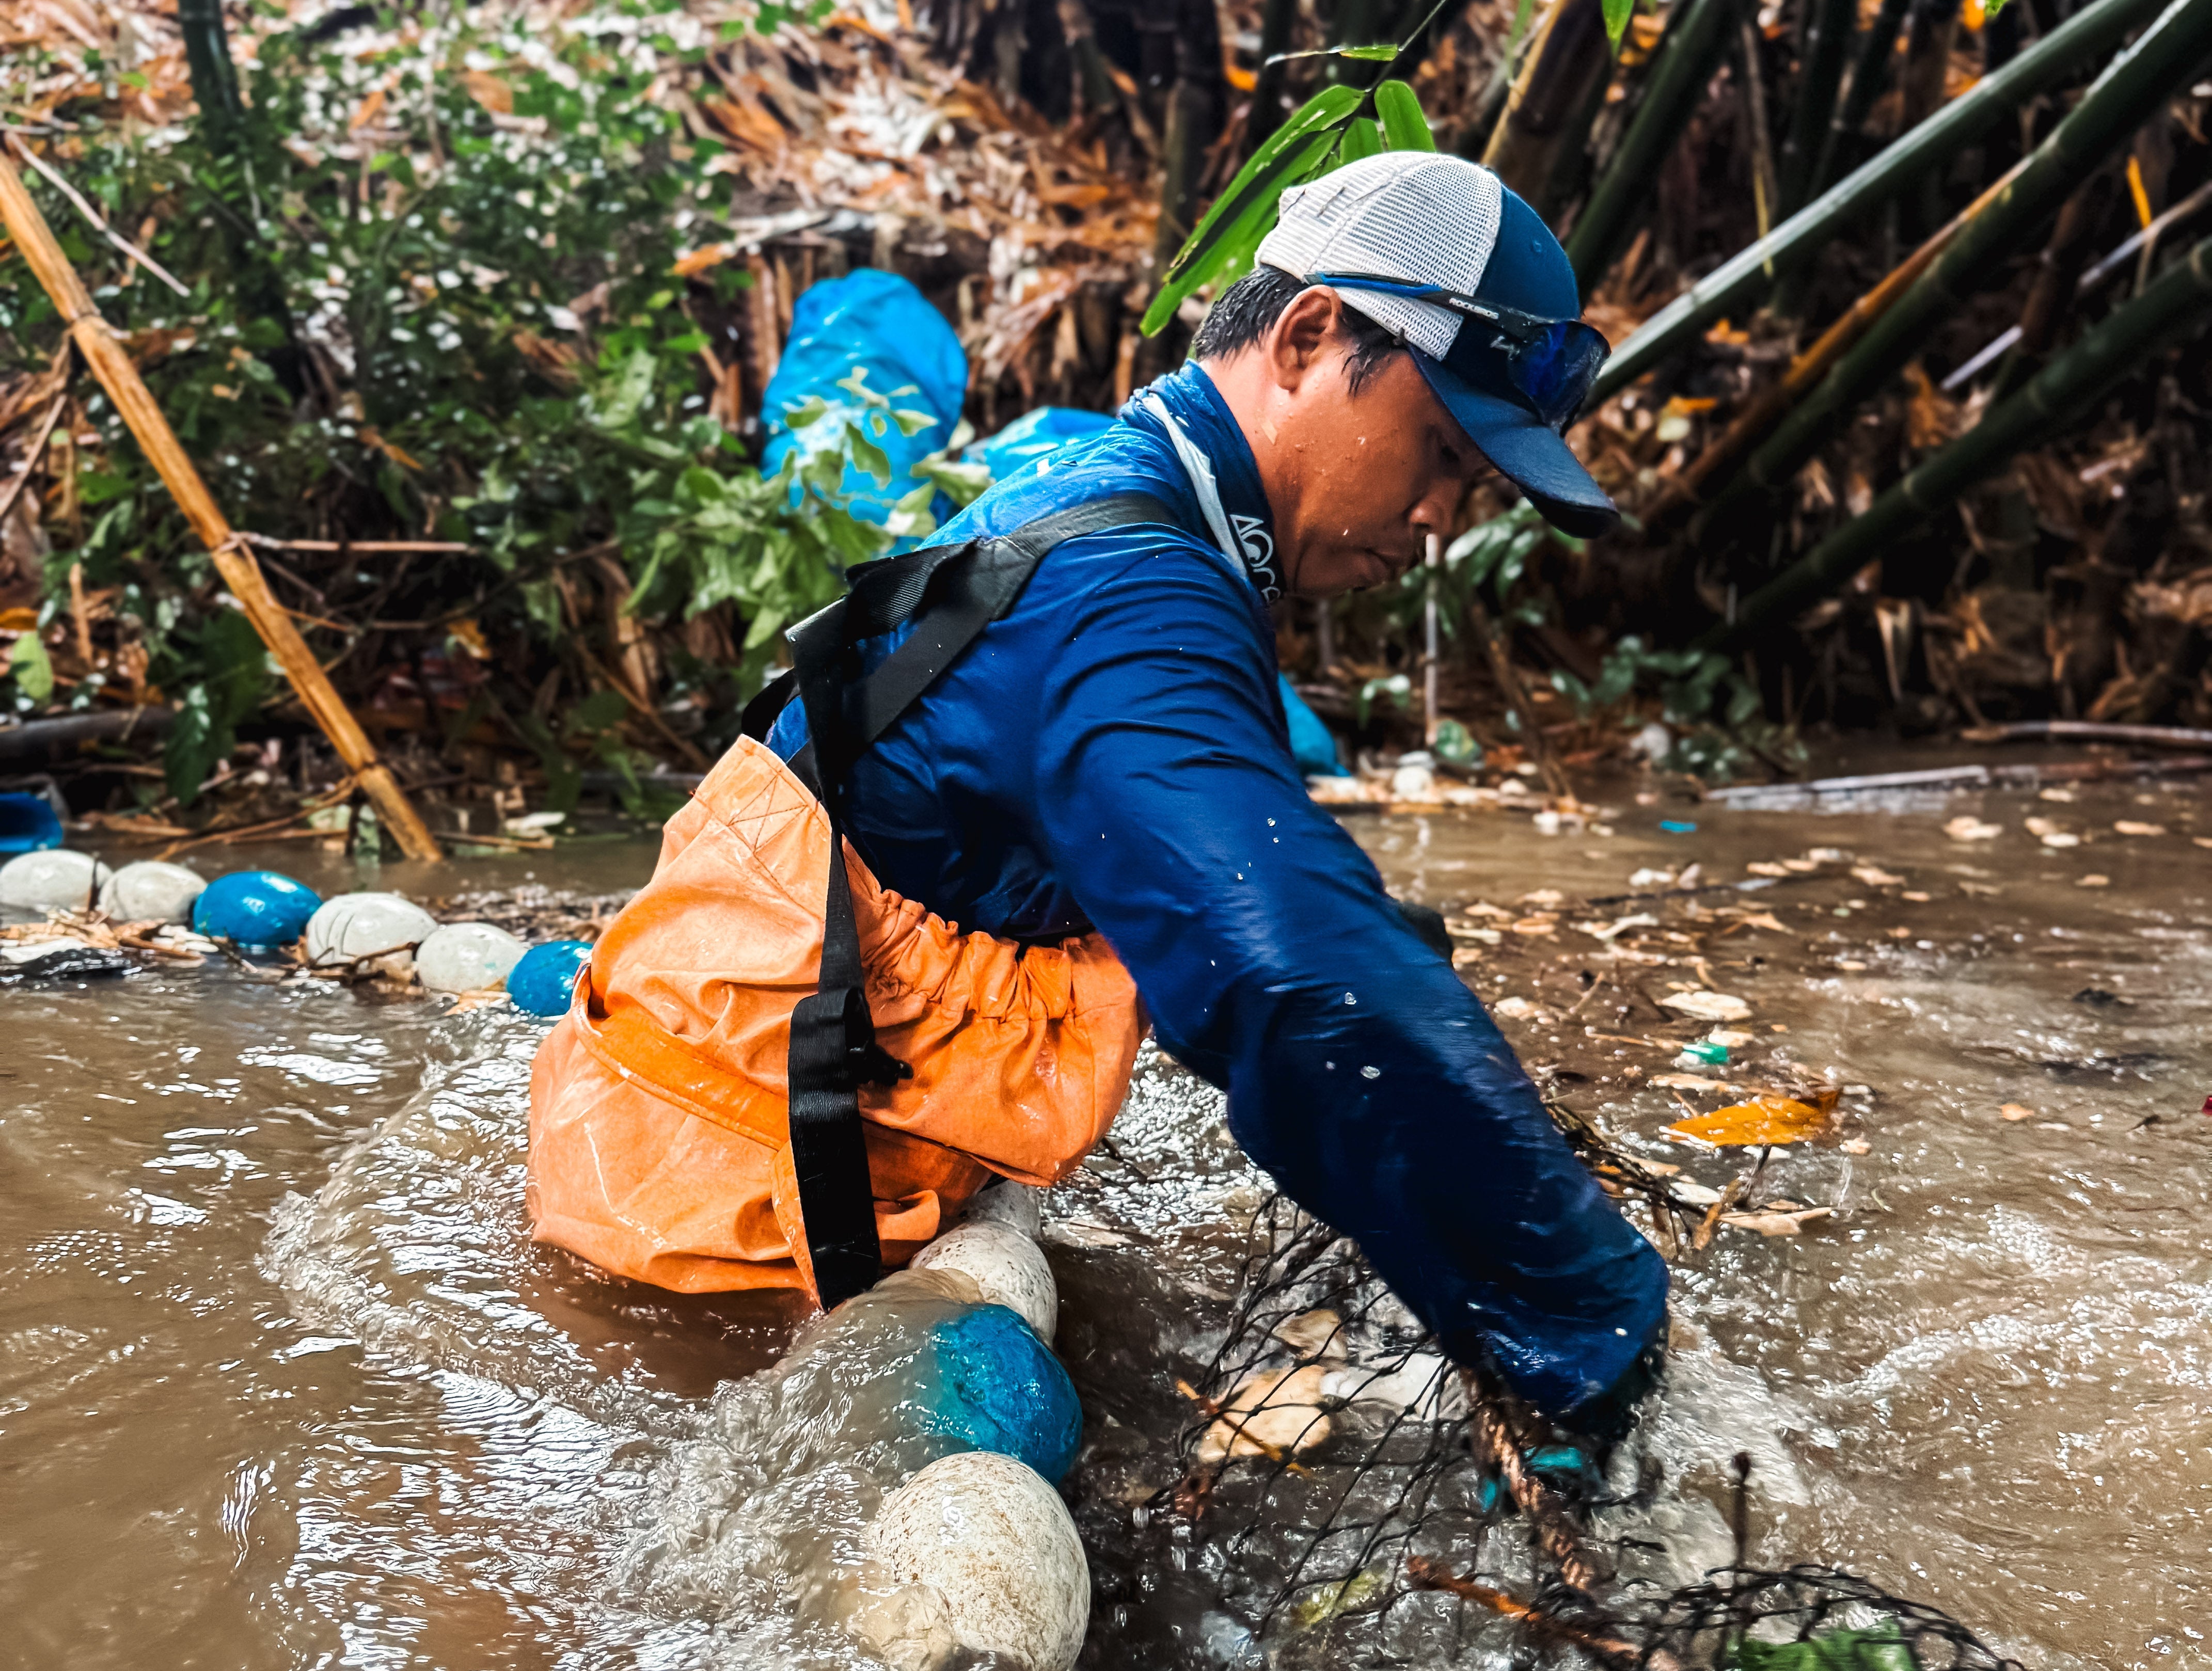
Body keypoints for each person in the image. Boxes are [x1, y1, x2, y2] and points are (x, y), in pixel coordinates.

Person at [527, 150, 1669, 1439]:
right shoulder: (1133, 598)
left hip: (671, 1145)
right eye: (1444, 451)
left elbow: (1214, 874)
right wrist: (1584, 1322)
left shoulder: (1130, 509)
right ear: (1306, 337)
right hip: (704, 1246)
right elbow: (1291, 974)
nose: (1441, 518)